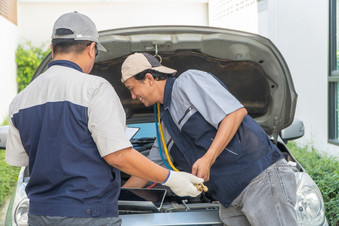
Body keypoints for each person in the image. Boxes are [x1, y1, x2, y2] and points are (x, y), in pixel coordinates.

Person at [5, 12, 203, 226]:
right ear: (91, 49)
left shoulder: (20, 101)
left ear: (53, 49)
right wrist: (171, 179)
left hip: (38, 216)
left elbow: (22, 160)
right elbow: (117, 155)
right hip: (90, 215)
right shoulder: (95, 89)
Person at [121, 52, 298, 226]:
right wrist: (117, 198)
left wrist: (208, 158)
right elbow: (146, 169)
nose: (133, 96)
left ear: (150, 78)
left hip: (260, 181)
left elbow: (235, 113)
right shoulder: (166, 123)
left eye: (132, 88)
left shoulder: (187, 82)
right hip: (229, 200)